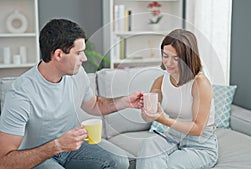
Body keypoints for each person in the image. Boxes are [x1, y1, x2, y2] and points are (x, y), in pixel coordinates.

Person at [0, 18, 143, 169]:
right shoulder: (21, 94)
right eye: (79, 53)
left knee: (119, 161)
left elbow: (94, 104)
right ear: (59, 55)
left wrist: (126, 102)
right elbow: (4, 161)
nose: (85, 58)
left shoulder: (77, 74)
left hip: (72, 148)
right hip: (37, 155)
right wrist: (57, 145)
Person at [136, 29, 218, 168]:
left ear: (188, 58)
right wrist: (146, 110)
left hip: (200, 145)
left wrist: (164, 119)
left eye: (176, 58)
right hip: (173, 137)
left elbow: (198, 128)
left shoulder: (200, 83)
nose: (168, 62)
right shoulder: (160, 81)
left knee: (170, 165)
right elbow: (147, 118)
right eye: (165, 55)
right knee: (149, 145)